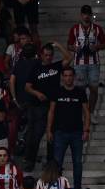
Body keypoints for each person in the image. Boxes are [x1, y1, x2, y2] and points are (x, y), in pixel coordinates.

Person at [23, 42, 72, 171]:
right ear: (41, 55)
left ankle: (51, 163)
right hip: (39, 106)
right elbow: (27, 87)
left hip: (54, 105)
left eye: (50, 55)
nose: (48, 57)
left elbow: (69, 58)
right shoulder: (36, 68)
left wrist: (59, 46)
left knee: (53, 136)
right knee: (36, 134)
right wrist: (37, 93)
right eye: (46, 55)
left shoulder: (56, 67)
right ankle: (30, 161)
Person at [46, 67, 89, 189]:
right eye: (65, 75)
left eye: (70, 75)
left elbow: (87, 112)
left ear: (74, 76)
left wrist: (86, 129)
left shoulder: (80, 92)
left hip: (77, 133)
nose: (68, 78)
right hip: (60, 132)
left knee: (77, 162)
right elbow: (51, 111)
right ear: (62, 77)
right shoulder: (57, 92)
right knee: (57, 162)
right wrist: (48, 130)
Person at [67, 5, 105, 121]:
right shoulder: (74, 29)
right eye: (84, 14)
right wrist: (75, 48)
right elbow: (69, 45)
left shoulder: (97, 28)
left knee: (94, 89)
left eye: (88, 14)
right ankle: (82, 113)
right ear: (81, 15)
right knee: (80, 90)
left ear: (91, 15)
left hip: (94, 63)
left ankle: (91, 112)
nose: (86, 16)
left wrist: (96, 46)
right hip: (79, 63)